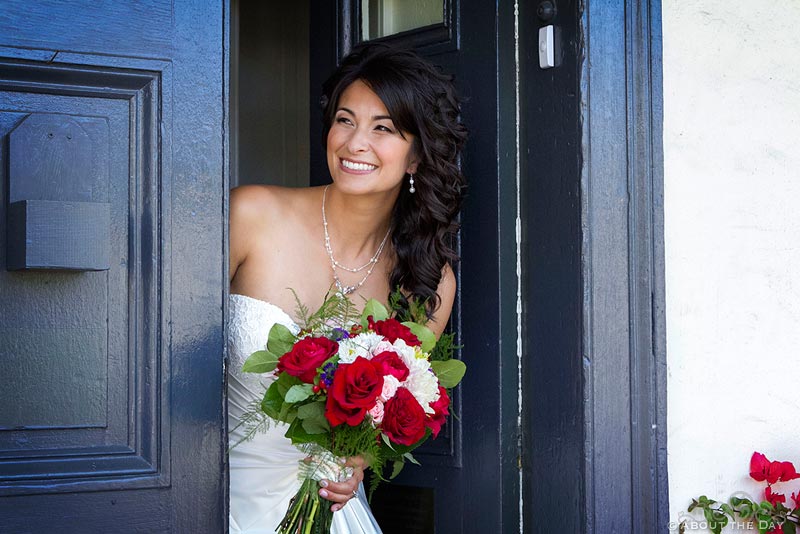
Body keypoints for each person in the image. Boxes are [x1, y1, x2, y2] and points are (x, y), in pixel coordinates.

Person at [227, 43, 467, 533]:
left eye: (383, 128)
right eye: (345, 119)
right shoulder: (250, 215)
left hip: (321, 509)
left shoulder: (429, 280)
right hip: (209, 493)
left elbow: (386, 423)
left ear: (417, 154)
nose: (356, 142)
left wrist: (357, 462)